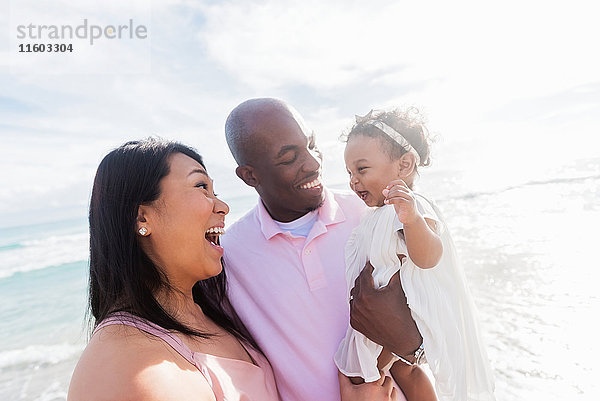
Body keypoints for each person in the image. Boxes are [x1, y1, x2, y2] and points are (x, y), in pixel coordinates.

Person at [222, 98, 423, 401]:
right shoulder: (228, 256)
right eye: (289, 158)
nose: (314, 163)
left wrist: (412, 346)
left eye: (312, 145)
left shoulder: (372, 215)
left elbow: (431, 312)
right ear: (250, 176)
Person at [68, 138, 281, 401]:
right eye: (201, 187)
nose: (222, 207)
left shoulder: (211, 308)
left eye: (214, 191)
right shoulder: (128, 362)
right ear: (142, 218)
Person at [335, 109, 496, 401]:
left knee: (364, 373)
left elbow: (429, 256)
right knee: (400, 370)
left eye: (362, 169)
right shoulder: (379, 214)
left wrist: (412, 221)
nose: (353, 181)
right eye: (349, 173)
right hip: (388, 309)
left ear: (404, 164)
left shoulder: (412, 207)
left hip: (409, 312)